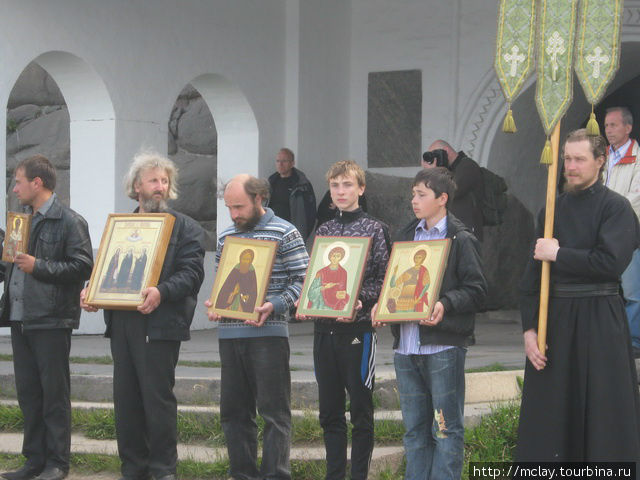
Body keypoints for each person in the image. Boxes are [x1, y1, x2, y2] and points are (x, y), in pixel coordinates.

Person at [517, 129, 640, 462]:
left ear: (600, 161)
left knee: (602, 412)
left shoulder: (617, 209)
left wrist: (559, 254)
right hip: (554, 321)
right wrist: (529, 329)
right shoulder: (551, 209)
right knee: (551, 414)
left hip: (600, 319)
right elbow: (531, 276)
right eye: (567, 159)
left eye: (579, 159)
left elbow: (609, 263)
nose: (570, 166)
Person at [81, 152, 205, 480]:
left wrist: (161, 291)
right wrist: (92, 291)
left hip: (161, 324)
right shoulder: (122, 226)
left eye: (165, 181)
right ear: (137, 186)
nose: (160, 187)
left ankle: (163, 469)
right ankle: (132, 468)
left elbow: (192, 273)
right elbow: (110, 268)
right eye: (154, 180)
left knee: (157, 400)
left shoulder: (184, 227)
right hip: (122, 324)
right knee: (126, 401)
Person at [373, 167, 486, 480]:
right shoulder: (407, 235)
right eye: (413, 194)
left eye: (421, 194)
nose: (414, 200)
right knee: (414, 431)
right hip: (407, 347)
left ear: (442, 199)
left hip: (443, 346)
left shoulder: (461, 238)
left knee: (445, 428)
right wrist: (382, 306)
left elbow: (477, 290)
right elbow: (394, 281)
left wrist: (444, 304)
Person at [205, 174, 309, 480]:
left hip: (269, 336)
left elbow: (304, 282)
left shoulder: (286, 233)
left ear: (259, 199)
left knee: (274, 413)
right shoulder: (227, 238)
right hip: (230, 335)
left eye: (239, 207)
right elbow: (223, 285)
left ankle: (276, 474)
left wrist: (274, 305)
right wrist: (216, 304)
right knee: (234, 413)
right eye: (229, 208)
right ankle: (243, 474)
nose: (234, 214)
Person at [0, 155, 93, 480]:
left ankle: (57, 463)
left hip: (51, 319)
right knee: (29, 393)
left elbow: (83, 266)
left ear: (36, 183)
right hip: (20, 318)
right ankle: (33, 460)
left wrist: (39, 265)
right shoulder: (21, 221)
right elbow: (11, 266)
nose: (14, 189)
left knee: (53, 394)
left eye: (18, 182)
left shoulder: (69, 220)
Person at [301, 160, 390, 480]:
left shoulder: (375, 229)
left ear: (360, 189)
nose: (341, 191)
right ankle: (334, 474)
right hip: (324, 329)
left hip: (358, 330)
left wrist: (360, 300)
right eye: (335, 186)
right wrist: (309, 298)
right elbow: (315, 279)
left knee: (361, 410)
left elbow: (385, 278)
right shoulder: (324, 230)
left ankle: (359, 475)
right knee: (329, 411)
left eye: (347, 185)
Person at [603, 106, 640, 357]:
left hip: (626, 232)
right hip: (601, 232)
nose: (608, 131)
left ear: (628, 127)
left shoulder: (637, 158)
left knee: (632, 291)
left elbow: (635, 198)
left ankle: (634, 340)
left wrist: (611, 217)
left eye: (614, 125)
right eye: (606, 126)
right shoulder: (601, 157)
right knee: (604, 287)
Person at [422, 140, 485, 241]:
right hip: (450, 232)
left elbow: (453, 190)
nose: (434, 159)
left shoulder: (467, 166)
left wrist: (436, 172)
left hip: (466, 234)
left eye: (435, 155)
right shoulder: (447, 171)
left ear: (446, 151)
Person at [268, 147, 316, 240]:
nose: (280, 164)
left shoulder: (302, 184)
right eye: (278, 161)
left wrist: (302, 234)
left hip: (291, 233)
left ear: (292, 163)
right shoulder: (270, 182)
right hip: (272, 231)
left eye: (284, 161)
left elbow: (311, 213)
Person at [214, 248, 258, 313]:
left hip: (244, 304)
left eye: (248, 259)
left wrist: (247, 296)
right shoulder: (236, 270)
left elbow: (253, 291)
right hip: (230, 303)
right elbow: (226, 287)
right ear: (240, 258)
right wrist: (233, 293)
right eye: (244, 259)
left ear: (251, 260)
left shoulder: (251, 271)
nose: (245, 261)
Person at [307, 246, 350, 311]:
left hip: (335, 303)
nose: (335, 258)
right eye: (333, 256)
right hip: (320, 303)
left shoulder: (343, 272)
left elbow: (343, 290)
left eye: (338, 256)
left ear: (341, 258)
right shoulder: (321, 272)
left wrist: (340, 294)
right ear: (330, 257)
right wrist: (325, 287)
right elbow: (311, 292)